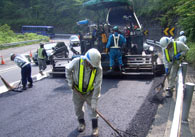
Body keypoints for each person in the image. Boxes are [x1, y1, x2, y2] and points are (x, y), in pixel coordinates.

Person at [65, 48, 102, 136]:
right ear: (87, 60)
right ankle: (81, 123)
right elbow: (68, 69)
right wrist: (70, 82)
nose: (93, 67)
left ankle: (95, 128)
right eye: (91, 64)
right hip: (77, 90)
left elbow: (97, 85)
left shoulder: (98, 68)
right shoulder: (76, 61)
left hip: (90, 92)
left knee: (93, 110)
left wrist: (94, 100)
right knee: (78, 108)